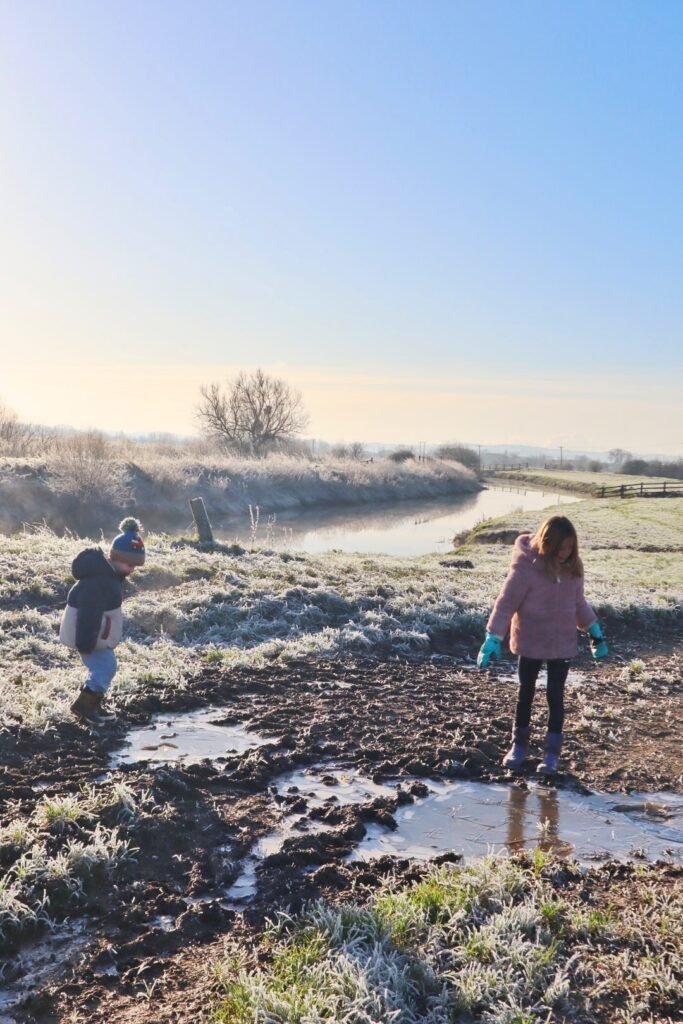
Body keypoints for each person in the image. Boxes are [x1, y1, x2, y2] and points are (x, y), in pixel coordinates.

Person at [477, 515, 607, 773]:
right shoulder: (527, 566)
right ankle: (519, 745)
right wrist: (493, 637)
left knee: (555, 696)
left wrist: (594, 630)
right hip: (531, 641)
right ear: (548, 542)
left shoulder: (572, 567)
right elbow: (506, 602)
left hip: (562, 643)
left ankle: (551, 753)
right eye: (560, 547)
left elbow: (578, 602)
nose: (565, 553)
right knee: (526, 692)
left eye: (569, 547)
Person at [60, 517, 145, 725]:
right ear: (115, 557)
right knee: (105, 668)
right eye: (129, 563)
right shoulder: (100, 582)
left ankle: (92, 704)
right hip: (90, 637)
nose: (132, 569)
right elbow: (89, 615)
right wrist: (85, 643)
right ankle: (84, 708)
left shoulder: (108, 577)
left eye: (135, 565)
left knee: (104, 668)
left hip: (97, 636)